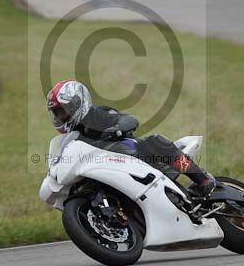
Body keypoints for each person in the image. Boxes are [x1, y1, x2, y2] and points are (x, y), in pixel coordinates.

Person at [46, 79, 216, 198]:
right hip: (107, 169)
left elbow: (128, 119)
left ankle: (202, 179)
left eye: (63, 111)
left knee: (156, 141)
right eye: (57, 113)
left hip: (132, 154)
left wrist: (116, 129)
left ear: (77, 102)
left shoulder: (97, 114)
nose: (60, 117)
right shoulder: (72, 137)